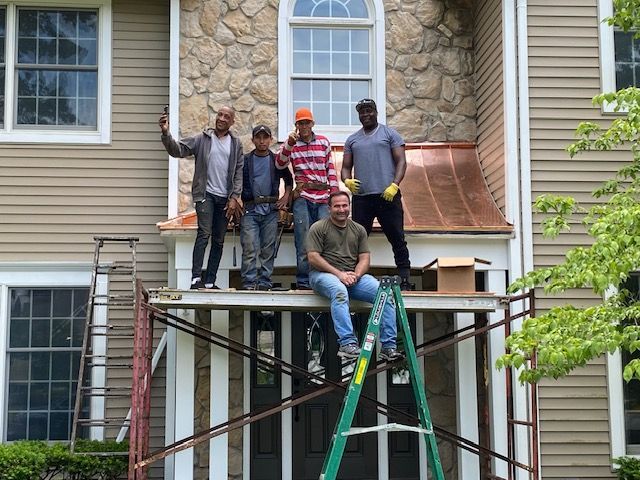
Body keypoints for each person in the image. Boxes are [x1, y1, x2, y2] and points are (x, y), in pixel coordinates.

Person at [307, 191, 403, 361]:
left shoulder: (358, 230)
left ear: (349, 207)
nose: (341, 209)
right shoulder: (318, 228)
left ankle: (388, 347)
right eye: (337, 206)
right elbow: (313, 257)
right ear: (329, 208)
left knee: (385, 294)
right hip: (323, 275)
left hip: (352, 276)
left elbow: (365, 258)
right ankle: (347, 344)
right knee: (339, 291)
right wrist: (339, 274)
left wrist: (356, 275)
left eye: (345, 205)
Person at [159, 106, 243, 289]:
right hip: (205, 195)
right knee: (204, 234)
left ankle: (210, 281)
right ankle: (196, 278)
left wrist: (234, 197)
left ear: (232, 122)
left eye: (226, 116)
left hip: (225, 199)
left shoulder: (236, 144)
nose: (221, 118)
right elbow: (177, 150)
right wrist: (166, 134)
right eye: (220, 114)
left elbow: (238, 173)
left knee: (219, 240)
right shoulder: (202, 139)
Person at [341, 98, 412, 291]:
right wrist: (347, 181)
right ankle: (353, 277)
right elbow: (345, 168)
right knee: (356, 240)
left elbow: (402, 162)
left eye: (369, 111)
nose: (366, 114)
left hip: (387, 195)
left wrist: (395, 185)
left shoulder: (390, 134)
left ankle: (405, 278)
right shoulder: (352, 140)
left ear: (376, 112)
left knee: (397, 236)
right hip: (362, 198)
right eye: (362, 112)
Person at [276, 107, 339, 289]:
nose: (304, 126)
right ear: (296, 125)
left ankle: (325, 277)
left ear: (313, 123)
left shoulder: (324, 142)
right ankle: (304, 281)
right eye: (300, 123)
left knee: (325, 239)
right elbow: (279, 164)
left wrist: (334, 195)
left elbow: (330, 170)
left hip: (323, 196)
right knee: (303, 239)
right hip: (303, 195)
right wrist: (288, 143)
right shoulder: (291, 143)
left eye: (307, 122)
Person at [240, 125, 293, 290]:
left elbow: (289, 180)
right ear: (253, 139)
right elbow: (235, 181)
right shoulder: (245, 160)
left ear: (270, 139)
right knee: (249, 247)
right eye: (258, 137)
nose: (262, 141)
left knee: (268, 248)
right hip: (250, 209)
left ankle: (264, 281)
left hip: (271, 210)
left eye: (265, 137)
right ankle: (249, 282)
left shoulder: (276, 160)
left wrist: (285, 197)